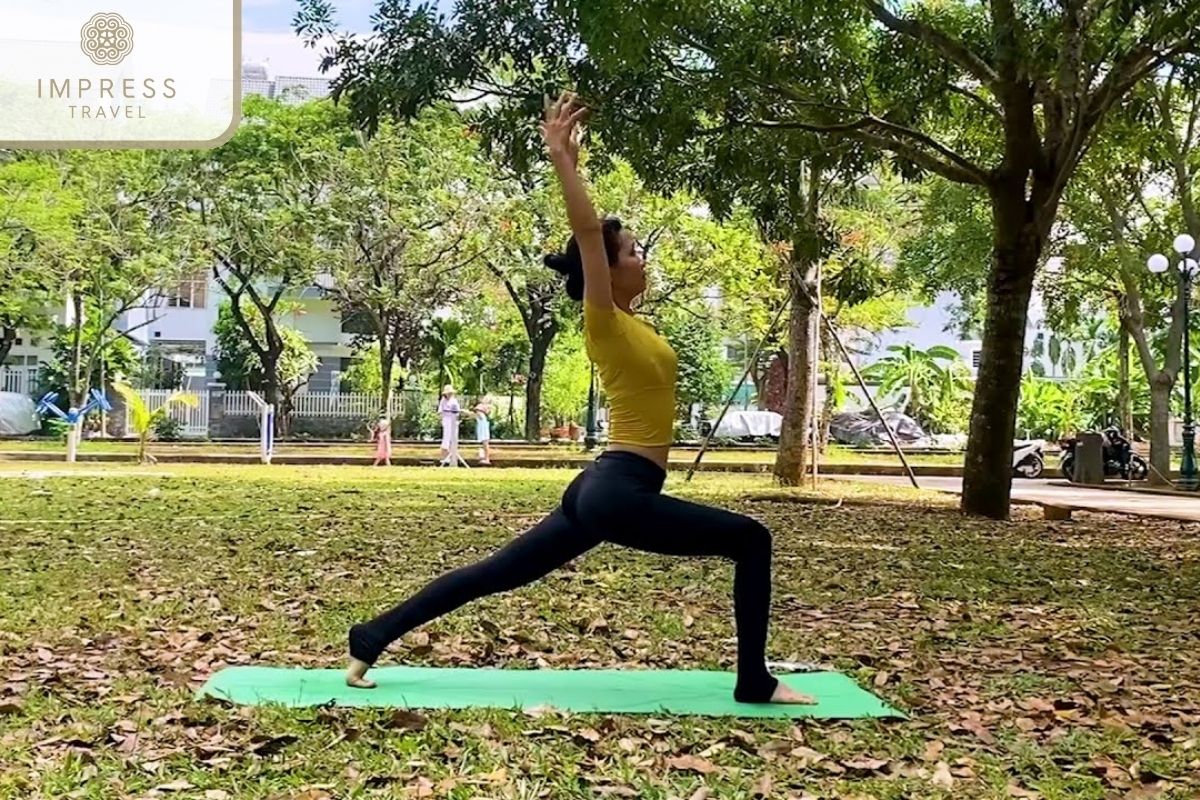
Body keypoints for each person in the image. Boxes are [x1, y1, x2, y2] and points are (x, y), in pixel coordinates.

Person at [345, 92, 811, 705]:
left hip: (606, 488)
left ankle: (370, 636)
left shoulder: (635, 324)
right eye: (634, 251)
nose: (642, 257)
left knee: (497, 573)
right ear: (606, 272)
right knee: (752, 539)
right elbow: (589, 233)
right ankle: (754, 681)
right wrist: (563, 159)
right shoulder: (605, 322)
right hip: (621, 490)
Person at [436, 385, 462, 466]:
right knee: (446, 438)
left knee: (453, 439)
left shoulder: (454, 401)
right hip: (446, 421)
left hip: (453, 421)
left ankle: (452, 457)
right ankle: (444, 458)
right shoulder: (443, 401)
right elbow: (440, 412)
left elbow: (457, 412)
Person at [473, 400, 493, 465]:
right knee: (484, 444)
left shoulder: (481, 415)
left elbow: (474, 415)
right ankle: (485, 457)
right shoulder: (480, 415)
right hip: (482, 429)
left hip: (483, 430)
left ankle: (487, 459)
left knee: (485, 444)